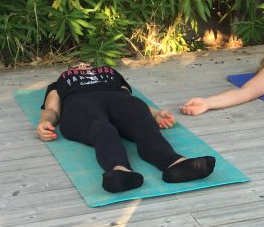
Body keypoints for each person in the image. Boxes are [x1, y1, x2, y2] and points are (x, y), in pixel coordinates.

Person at [37, 62, 215, 193]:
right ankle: (119, 172)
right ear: (70, 71)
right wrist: (46, 122)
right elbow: (52, 108)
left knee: (142, 122)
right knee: (102, 129)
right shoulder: (61, 81)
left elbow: (129, 98)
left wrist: (155, 114)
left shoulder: (111, 73)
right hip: (80, 103)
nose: (83, 65)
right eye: (76, 65)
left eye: (87, 64)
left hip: (117, 99)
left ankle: (175, 163)